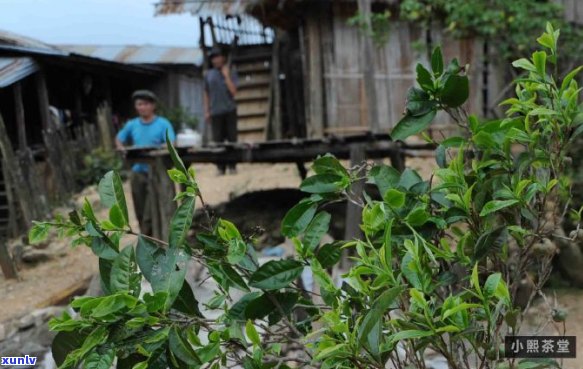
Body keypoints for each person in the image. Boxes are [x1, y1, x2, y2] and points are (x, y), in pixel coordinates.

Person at [115, 90, 176, 235]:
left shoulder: (163, 124)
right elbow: (119, 139)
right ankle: (146, 239)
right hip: (138, 172)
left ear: (153, 106)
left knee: (155, 210)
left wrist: (161, 147)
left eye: (146, 104)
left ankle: (159, 238)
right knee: (141, 210)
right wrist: (121, 148)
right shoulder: (132, 124)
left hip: (157, 172)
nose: (142, 107)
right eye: (139, 104)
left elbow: (171, 142)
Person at [204, 47, 239, 175]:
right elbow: (206, 93)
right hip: (215, 112)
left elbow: (234, 91)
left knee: (231, 139)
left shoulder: (231, 71)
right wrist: (207, 110)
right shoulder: (208, 74)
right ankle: (220, 167)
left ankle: (233, 166)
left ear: (223, 58)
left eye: (218, 56)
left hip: (229, 110)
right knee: (218, 141)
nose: (216, 60)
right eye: (214, 57)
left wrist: (226, 76)